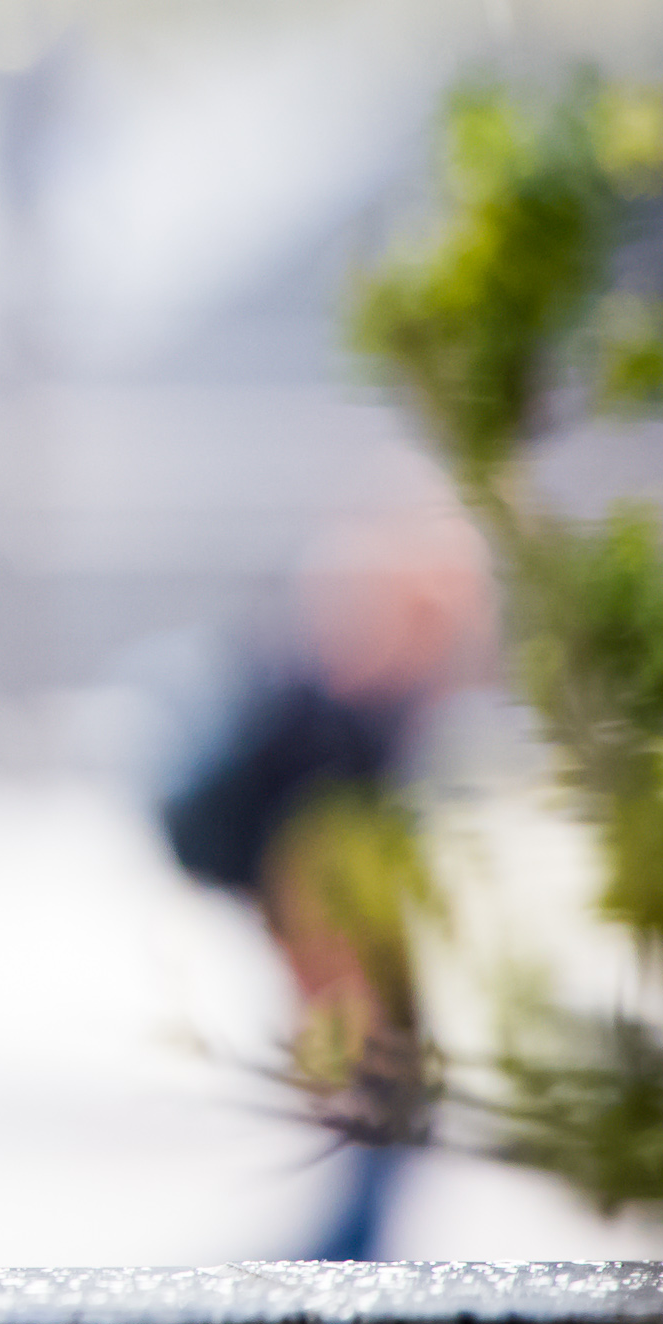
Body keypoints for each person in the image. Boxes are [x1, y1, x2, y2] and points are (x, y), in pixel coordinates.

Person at [159, 507, 488, 1261]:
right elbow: (314, 891)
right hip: (338, 950)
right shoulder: (334, 733)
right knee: (377, 1125)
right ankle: (324, 1294)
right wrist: (336, 998)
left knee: (380, 1137)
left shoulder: (356, 719)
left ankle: (334, 1282)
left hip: (349, 951)